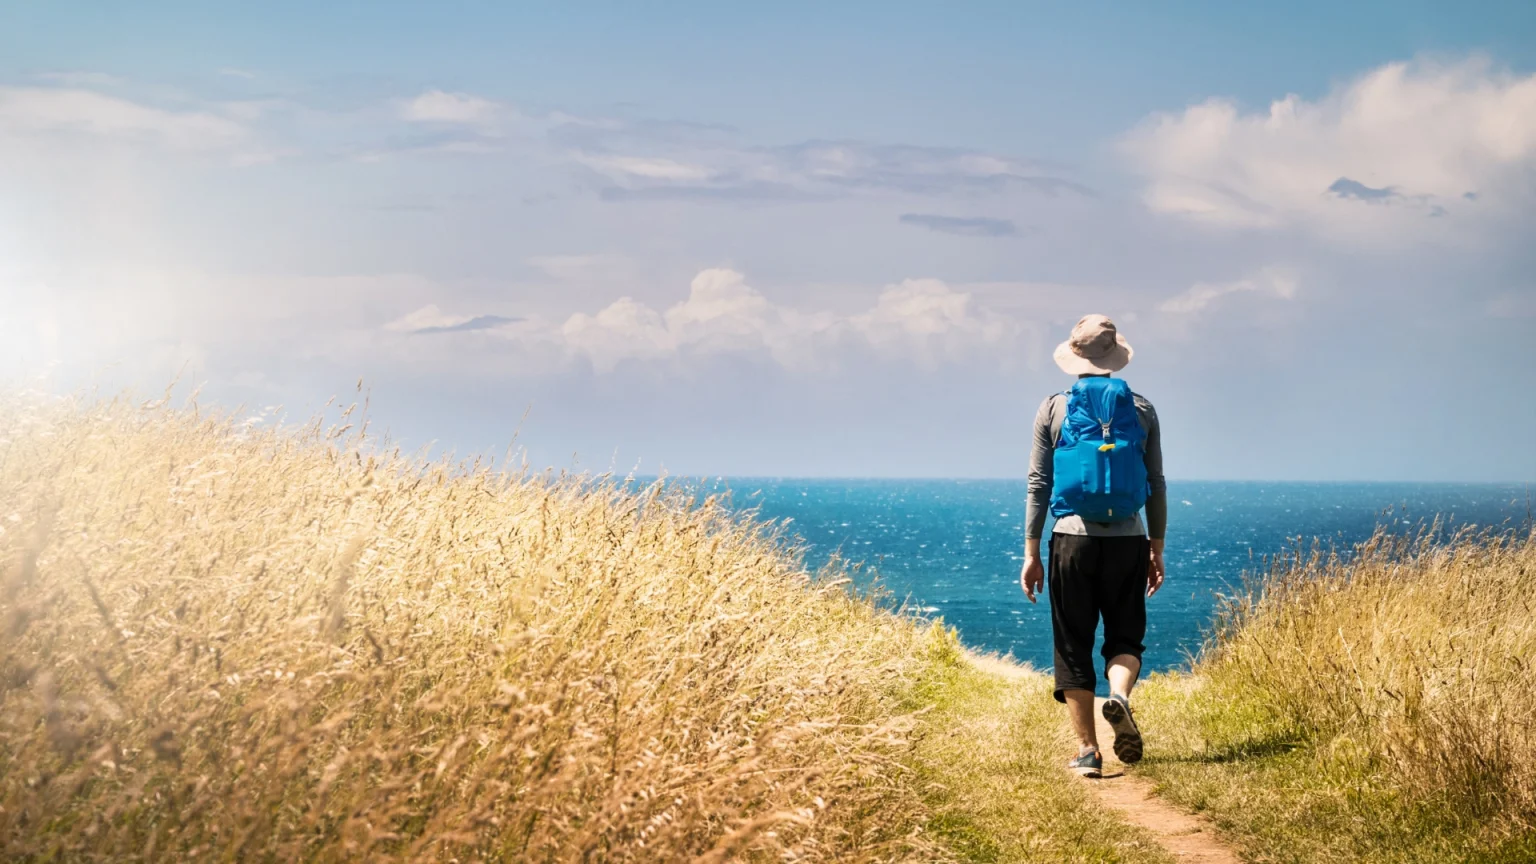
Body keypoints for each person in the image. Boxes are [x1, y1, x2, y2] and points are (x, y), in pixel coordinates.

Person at [1020, 314, 1166, 778]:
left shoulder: (1053, 408)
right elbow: (1156, 483)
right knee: (1124, 635)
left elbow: (1039, 483)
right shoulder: (1141, 409)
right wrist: (1156, 547)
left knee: (1072, 644)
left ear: (1075, 357)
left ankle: (1088, 752)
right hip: (1129, 538)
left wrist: (1031, 551)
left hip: (1071, 540)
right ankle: (1119, 697)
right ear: (1114, 357)